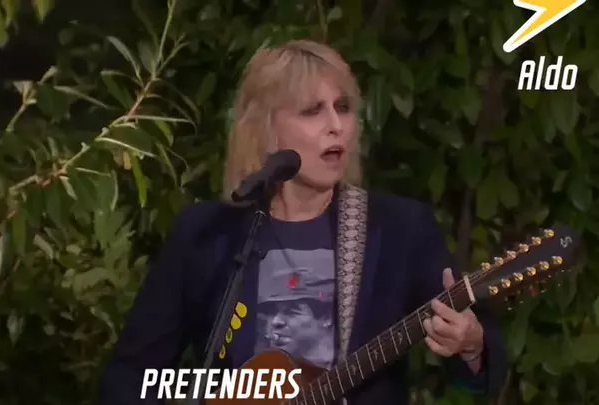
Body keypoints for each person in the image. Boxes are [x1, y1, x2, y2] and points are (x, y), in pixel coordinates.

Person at [98, 39, 506, 405]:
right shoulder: (207, 235)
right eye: (313, 111)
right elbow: (131, 374)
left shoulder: (401, 229)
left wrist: (471, 345)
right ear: (266, 130)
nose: (336, 126)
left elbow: (478, 364)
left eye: (343, 108)